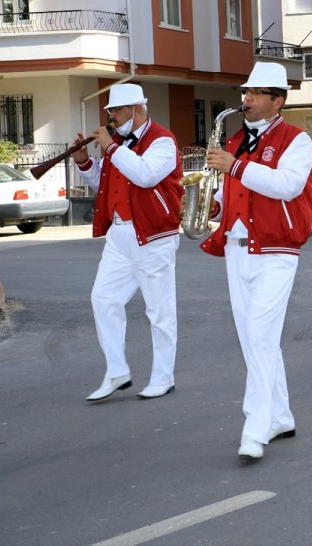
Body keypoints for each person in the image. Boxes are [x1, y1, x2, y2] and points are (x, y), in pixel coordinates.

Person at [199, 62, 312, 462]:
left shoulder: (296, 140)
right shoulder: (235, 140)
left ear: (277, 101)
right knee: (254, 340)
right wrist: (212, 202)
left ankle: (255, 426)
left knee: (261, 336)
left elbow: (287, 186)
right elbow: (237, 191)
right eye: (245, 91)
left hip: (276, 250)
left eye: (256, 93)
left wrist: (237, 167)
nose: (245, 98)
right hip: (235, 247)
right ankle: (280, 416)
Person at [73, 83, 184, 402]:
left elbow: (145, 175)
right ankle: (117, 370)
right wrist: (84, 162)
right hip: (120, 233)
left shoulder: (162, 140)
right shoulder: (118, 144)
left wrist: (110, 148)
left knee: (159, 310)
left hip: (153, 234)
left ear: (137, 110)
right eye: (109, 112)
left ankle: (163, 377)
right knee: (103, 298)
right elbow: (106, 182)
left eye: (116, 111)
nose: (110, 117)